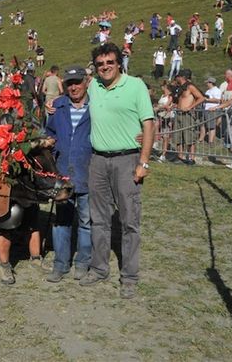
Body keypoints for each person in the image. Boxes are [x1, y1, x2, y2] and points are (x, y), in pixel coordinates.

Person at [78, 43, 155, 300]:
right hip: (98, 161)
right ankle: (100, 269)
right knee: (99, 219)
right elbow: (75, 97)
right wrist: (53, 105)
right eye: (100, 64)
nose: (105, 67)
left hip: (127, 159)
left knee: (129, 221)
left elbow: (148, 123)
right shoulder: (94, 87)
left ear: (118, 62)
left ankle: (130, 277)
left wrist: (144, 162)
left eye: (109, 62)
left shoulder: (135, 86)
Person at [44, 66, 92, 282]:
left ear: (86, 82)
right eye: (70, 83)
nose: (74, 87)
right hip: (62, 171)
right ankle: (60, 264)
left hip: (87, 171)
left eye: (77, 82)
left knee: (86, 221)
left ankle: (82, 262)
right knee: (61, 220)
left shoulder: (97, 106)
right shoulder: (58, 106)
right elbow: (49, 132)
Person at [172, 69, 205, 164]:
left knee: (189, 137)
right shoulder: (180, 88)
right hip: (178, 114)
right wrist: (176, 105)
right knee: (178, 137)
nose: (176, 78)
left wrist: (190, 107)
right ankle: (180, 157)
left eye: (178, 76)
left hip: (187, 115)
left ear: (182, 77)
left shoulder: (190, 87)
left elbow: (201, 98)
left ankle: (192, 158)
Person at [202, 77, 223, 144]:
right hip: (206, 109)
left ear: (211, 83)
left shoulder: (217, 90)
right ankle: (201, 139)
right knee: (203, 125)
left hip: (212, 109)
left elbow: (218, 100)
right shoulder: (208, 91)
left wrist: (207, 100)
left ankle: (211, 141)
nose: (206, 84)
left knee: (211, 126)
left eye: (207, 82)